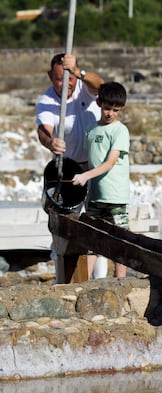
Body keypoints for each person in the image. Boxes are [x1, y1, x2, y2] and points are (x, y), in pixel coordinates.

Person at [36, 53, 107, 283]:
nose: (66, 84)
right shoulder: (46, 101)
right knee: (65, 227)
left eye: (69, 78)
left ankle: (100, 280)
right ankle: (62, 279)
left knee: (99, 224)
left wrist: (79, 72)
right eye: (59, 79)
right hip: (68, 170)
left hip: (95, 167)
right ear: (50, 77)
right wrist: (50, 141)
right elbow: (43, 130)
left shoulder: (84, 88)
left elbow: (102, 86)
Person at [72, 81, 130, 279]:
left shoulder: (120, 131)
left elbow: (110, 162)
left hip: (115, 195)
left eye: (115, 110)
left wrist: (85, 176)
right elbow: (90, 162)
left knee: (120, 239)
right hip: (95, 196)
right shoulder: (91, 130)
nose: (110, 113)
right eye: (107, 108)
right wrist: (78, 174)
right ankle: (85, 280)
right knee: (92, 240)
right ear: (98, 103)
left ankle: (120, 280)